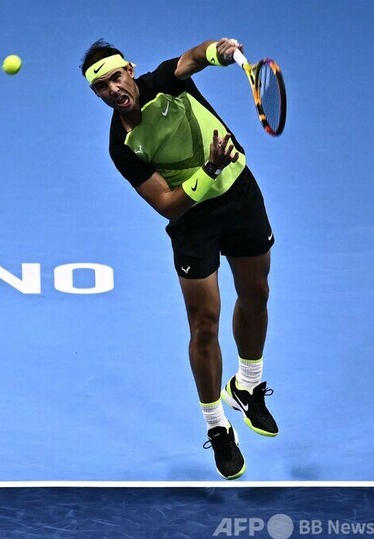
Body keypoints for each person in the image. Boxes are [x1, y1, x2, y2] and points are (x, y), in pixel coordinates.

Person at [80, 38, 278, 479]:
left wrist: (220, 51)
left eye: (116, 77)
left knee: (256, 293)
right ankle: (217, 426)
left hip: (239, 195)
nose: (113, 90)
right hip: (192, 222)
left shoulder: (165, 81)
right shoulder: (122, 146)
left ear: (130, 70)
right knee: (204, 324)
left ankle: (247, 385)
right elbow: (168, 205)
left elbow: (195, 56)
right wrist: (207, 171)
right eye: (101, 87)